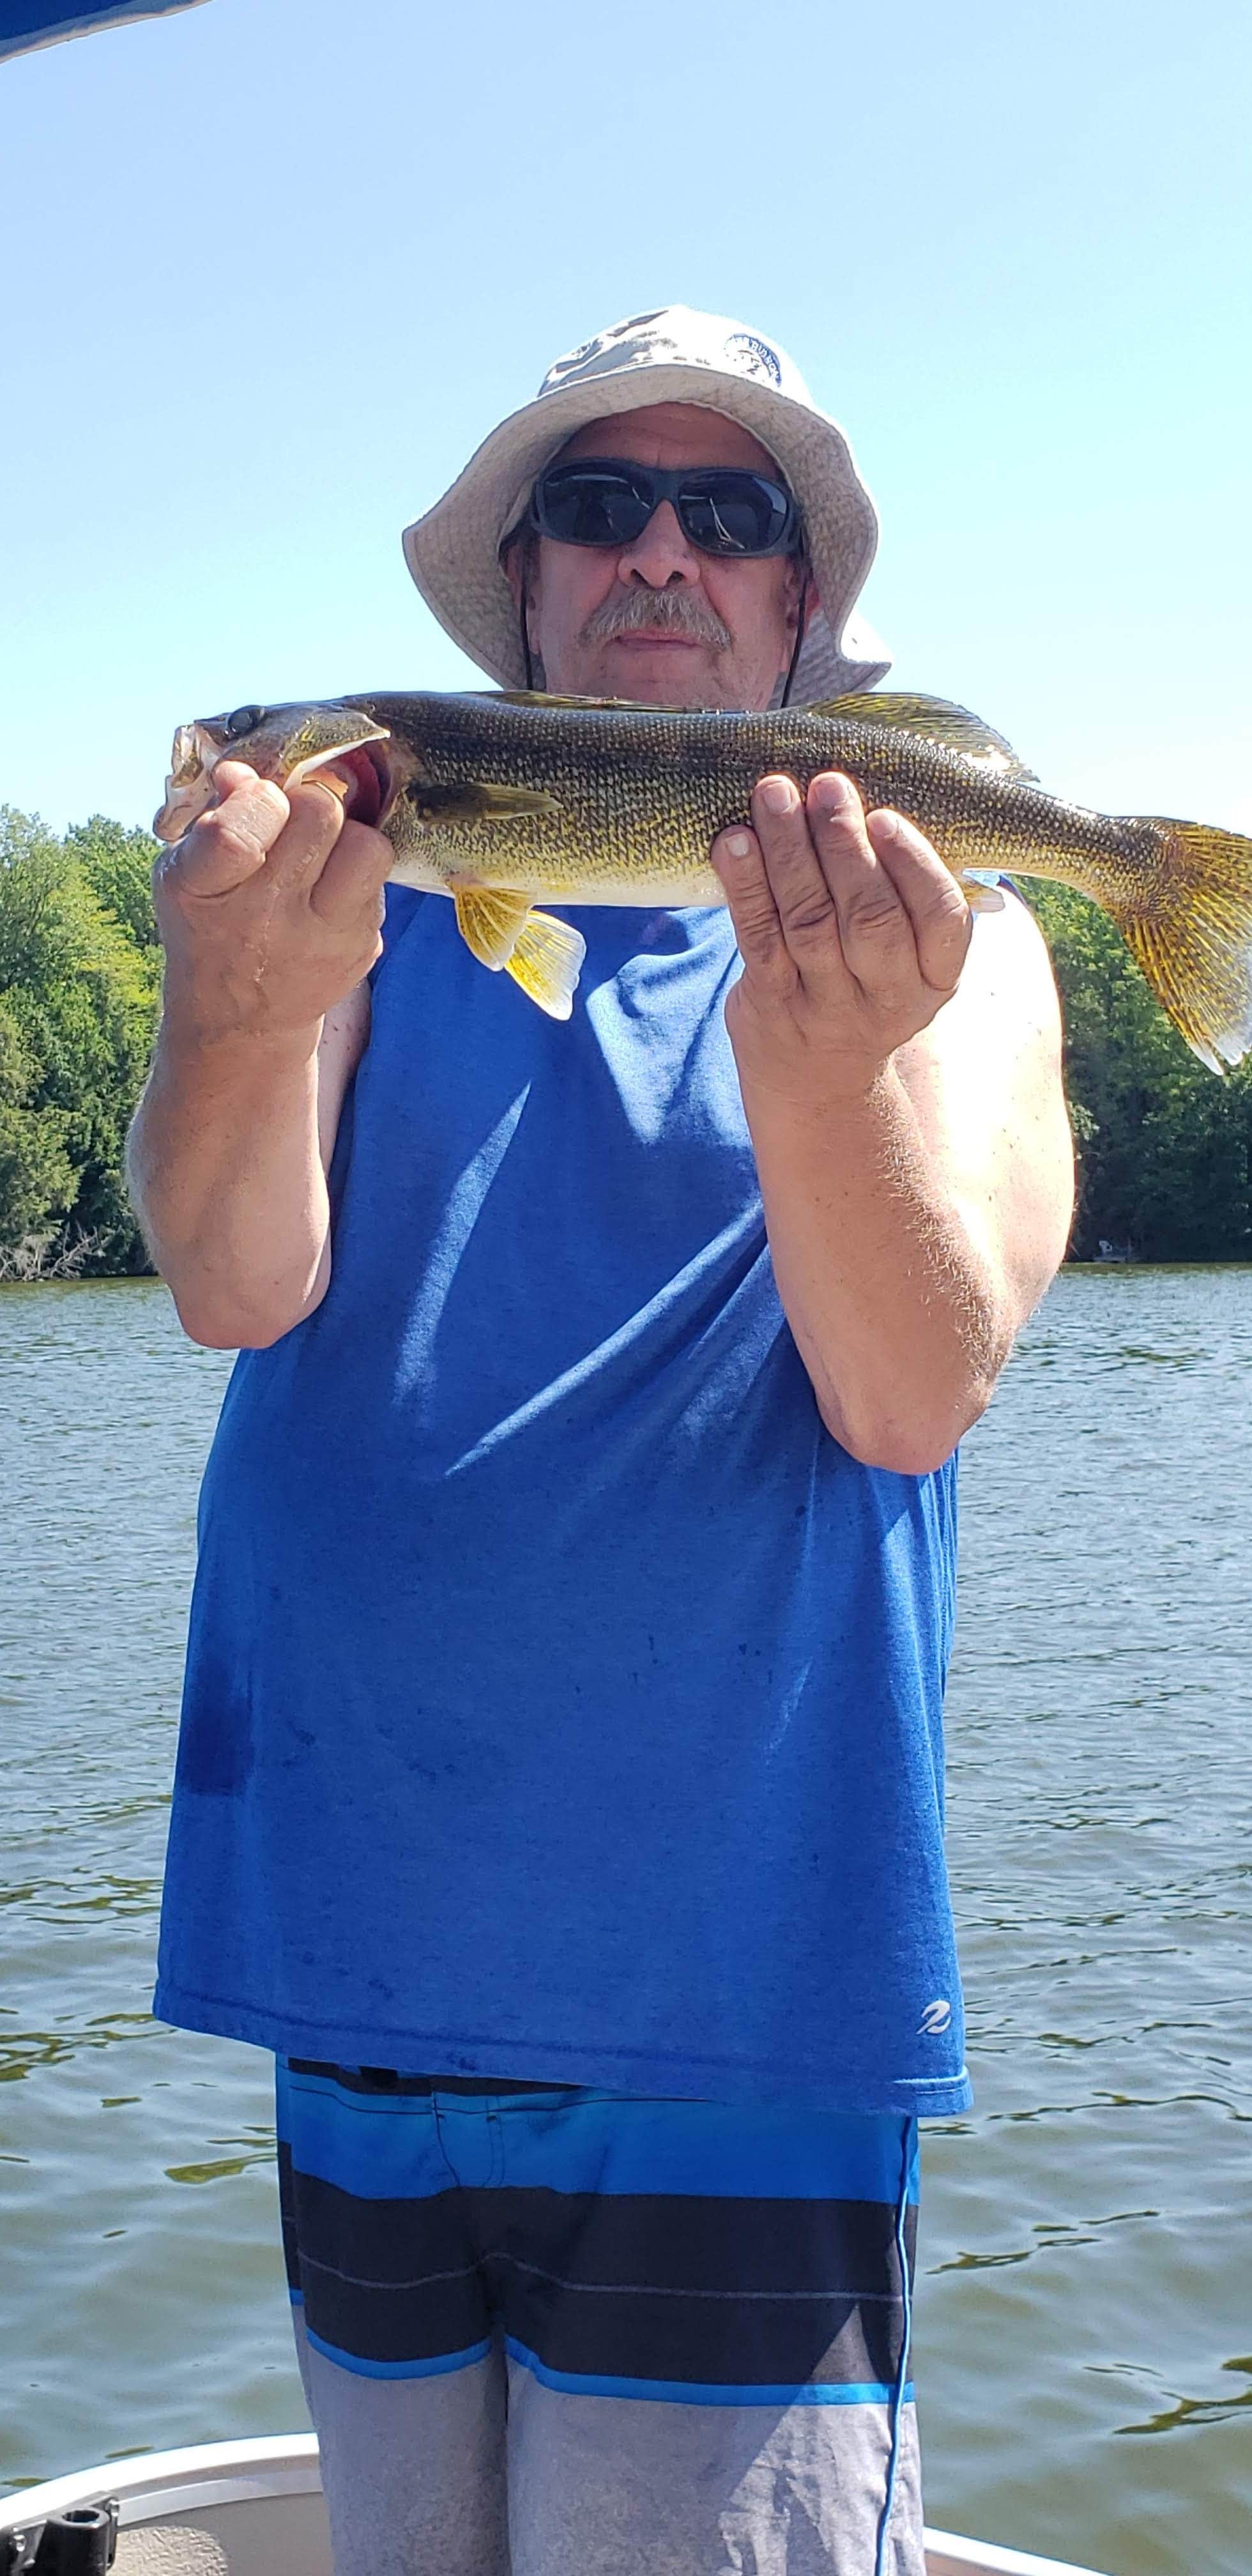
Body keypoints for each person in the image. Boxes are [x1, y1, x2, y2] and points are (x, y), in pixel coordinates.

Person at [128, 307, 1074, 2576]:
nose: (662, 551)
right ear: (525, 591)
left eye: (725, 514)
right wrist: (234, 1003)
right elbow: (232, 1282)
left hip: (736, 1979)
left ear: (799, 602)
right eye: (599, 506)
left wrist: (826, 1067)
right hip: (356, 1940)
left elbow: (911, 1392)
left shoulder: (961, 947)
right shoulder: (357, 911)